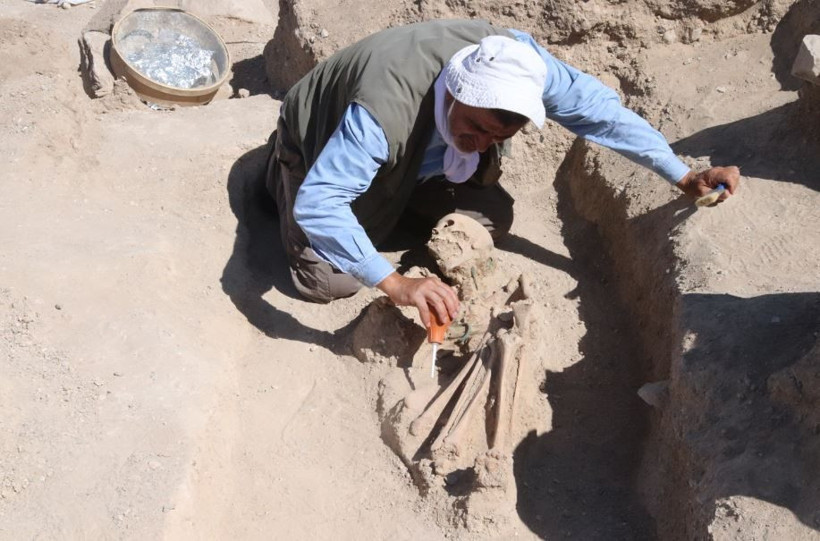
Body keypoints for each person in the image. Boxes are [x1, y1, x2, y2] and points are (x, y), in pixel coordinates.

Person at [265, 19, 740, 328]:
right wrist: (397, 284)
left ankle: (386, 205)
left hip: (416, 160)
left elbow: (601, 114)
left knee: (490, 217)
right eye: (473, 127)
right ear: (453, 91)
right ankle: (275, 176)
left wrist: (680, 175)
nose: (481, 143)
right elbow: (321, 202)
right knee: (330, 281)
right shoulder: (384, 111)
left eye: (495, 137)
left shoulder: (517, 63)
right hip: (317, 141)